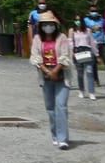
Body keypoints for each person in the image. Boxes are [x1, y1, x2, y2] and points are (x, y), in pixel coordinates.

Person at [29, 10, 73, 149]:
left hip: (61, 74)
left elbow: (65, 55)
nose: (48, 26)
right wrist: (47, 71)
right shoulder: (37, 39)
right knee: (50, 108)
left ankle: (63, 138)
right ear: (41, 26)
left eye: (50, 24)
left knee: (61, 106)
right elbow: (35, 56)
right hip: (45, 74)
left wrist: (56, 70)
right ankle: (54, 134)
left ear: (55, 25)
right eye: (45, 24)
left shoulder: (62, 38)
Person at [86, 4, 105, 89]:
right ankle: (96, 80)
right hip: (91, 44)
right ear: (89, 11)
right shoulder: (86, 20)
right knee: (93, 64)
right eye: (92, 11)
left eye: (95, 10)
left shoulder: (102, 20)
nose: (94, 12)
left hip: (102, 43)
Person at [70, 18, 99, 100]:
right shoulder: (73, 31)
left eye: (79, 20)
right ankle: (81, 90)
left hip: (87, 50)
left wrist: (96, 53)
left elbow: (92, 42)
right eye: (76, 20)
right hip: (78, 51)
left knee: (89, 72)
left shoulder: (87, 31)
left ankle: (91, 92)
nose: (77, 21)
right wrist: (71, 52)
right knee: (80, 73)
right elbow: (71, 42)